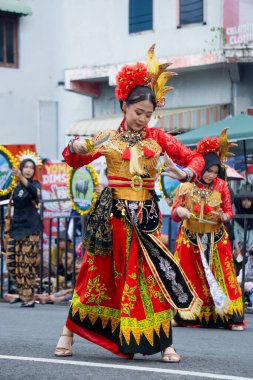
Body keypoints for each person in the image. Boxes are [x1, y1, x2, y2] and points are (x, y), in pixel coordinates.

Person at [54, 45, 204, 362]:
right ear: (124, 106)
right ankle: (67, 335)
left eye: (149, 115)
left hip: (146, 216)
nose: (143, 119)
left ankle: (167, 344)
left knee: (155, 275)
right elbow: (72, 160)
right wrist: (76, 146)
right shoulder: (107, 137)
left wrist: (186, 172)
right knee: (94, 274)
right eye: (139, 113)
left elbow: (195, 157)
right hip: (112, 217)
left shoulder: (158, 139)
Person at [171, 135, 244, 330]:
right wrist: (180, 211)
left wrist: (224, 216)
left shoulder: (222, 186)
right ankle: (185, 316)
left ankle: (230, 317)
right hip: (189, 238)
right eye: (208, 171)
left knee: (223, 276)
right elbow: (174, 213)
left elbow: (229, 212)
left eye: (215, 171)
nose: (211, 175)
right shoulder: (186, 185)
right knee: (188, 277)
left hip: (215, 237)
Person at [5, 158, 43, 307]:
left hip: (31, 228)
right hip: (16, 229)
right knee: (12, 262)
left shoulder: (34, 185)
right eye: (25, 167)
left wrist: (21, 177)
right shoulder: (16, 187)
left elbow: (35, 193)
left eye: (31, 168)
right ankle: (22, 294)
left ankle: (29, 298)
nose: (28, 170)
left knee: (27, 263)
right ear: (21, 168)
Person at [234, 191, 253, 263]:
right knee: (239, 263)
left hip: (251, 246)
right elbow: (235, 232)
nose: (246, 202)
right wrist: (237, 246)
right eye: (244, 200)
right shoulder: (237, 216)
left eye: (248, 200)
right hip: (240, 247)